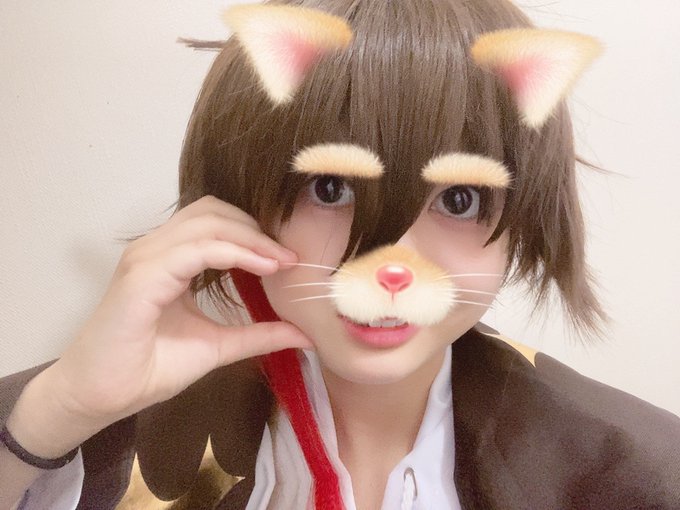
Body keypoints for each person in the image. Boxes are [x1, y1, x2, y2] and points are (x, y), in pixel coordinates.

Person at [1, 0, 679, 509]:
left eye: (460, 199)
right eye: (331, 189)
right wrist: (58, 411)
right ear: (237, 201)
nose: (394, 261)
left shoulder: (635, 469)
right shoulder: (98, 427)